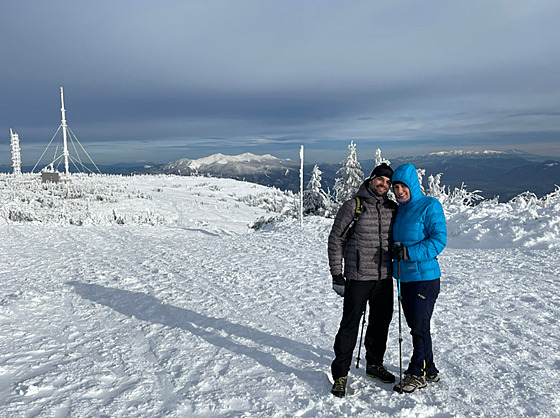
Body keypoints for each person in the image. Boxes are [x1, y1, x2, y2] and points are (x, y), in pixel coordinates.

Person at [327, 163, 397, 398]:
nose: (384, 185)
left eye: (388, 183)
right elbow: (336, 239)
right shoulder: (353, 206)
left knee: (381, 322)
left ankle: (374, 364)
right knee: (350, 325)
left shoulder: (391, 208)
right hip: (358, 277)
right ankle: (340, 374)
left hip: (384, 277)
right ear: (371, 179)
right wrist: (337, 275)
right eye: (381, 180)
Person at [391, 163, 447, 393]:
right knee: (417, 325)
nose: (400, 191)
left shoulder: (429, 205)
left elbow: (439, 239)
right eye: (396, 187)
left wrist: (408, 253)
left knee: (419, 326)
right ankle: (430, 369)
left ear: (413, 185)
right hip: (405, 278)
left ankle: (416, 373)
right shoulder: (399, 211)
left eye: (404, 186)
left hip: (426, 277)